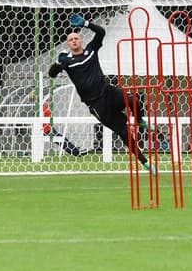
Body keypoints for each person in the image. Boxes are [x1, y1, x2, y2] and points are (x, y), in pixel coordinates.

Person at [48, 13, 156, 175]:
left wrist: (85, 23)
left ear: (81, 40)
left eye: (76, 38)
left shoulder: (91, 50)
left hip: (108, 92)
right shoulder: (67, 61)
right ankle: (144, 161)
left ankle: (140, 120)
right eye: (71, 40)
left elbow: (101, 32)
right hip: (96, 104)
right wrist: (57, 63)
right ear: (68, 44)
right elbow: (51, 74)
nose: (74, 41)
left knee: (133, 100)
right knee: (123, 132)